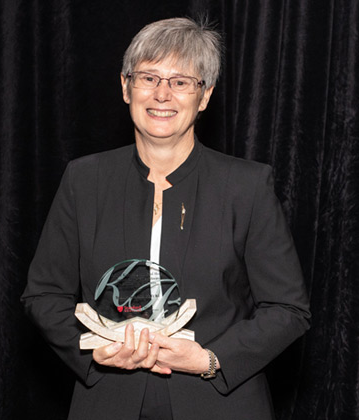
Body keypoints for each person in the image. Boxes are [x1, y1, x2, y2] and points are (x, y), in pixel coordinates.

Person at [21, 17, 311, 420]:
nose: (162, 94)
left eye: (181, 82)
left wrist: (211, 360)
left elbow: (287, 309)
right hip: (107, 401)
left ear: (204, 96)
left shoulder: (246, 186)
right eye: (149, 77)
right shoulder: (84, 179)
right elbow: (43, 295)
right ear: (126, 87)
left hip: (219, 405)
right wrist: (91, 349)